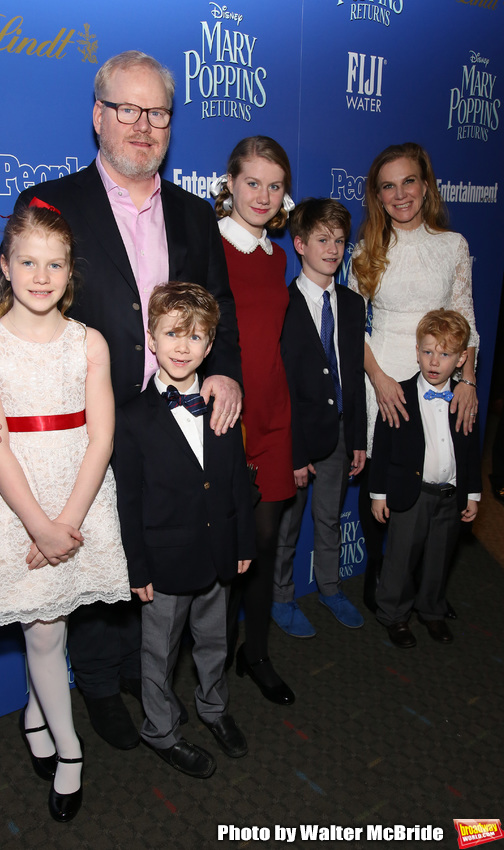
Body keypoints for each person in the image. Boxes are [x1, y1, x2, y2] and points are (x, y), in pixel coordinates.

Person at [0, 51, 242, 750]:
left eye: (157, 113)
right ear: (98, 117)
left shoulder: (197, 216)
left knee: (148, 556)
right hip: (86, 438)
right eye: (127, 110)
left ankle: (145, 677)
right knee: (90, 573)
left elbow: (217, 307)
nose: (143, 126)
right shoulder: (52, 204)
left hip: (169, 426)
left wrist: (224, 371)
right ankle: (100, 690)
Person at [0, 203, 130, 821]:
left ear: (69, 272)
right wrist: (39, 525)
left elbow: (102, 436)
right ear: (5, 266)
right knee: (45, 628)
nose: (41, 274)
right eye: (27, 261)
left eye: (54, 263)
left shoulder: (91, 342)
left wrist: (69, 522)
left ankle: (36, 712)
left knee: (50, 623)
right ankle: (71, 751)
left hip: (80, 496)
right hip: (17, 499)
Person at [114, 282, 255, 779]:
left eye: (195, 337)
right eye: (172, 333)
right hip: (164, 562)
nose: (182, 345)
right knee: (159, 653)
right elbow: (126, 499)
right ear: (151, 338)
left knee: (216, 641)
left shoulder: (223, 403)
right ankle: (162, 731)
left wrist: (242, 541)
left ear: (210, 345)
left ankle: (213, 709)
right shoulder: (131, 417)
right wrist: (137, 565)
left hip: (219, 554)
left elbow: (237, 478)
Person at [348, 142, 479, 612]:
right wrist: (380, 378)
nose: (400, 194)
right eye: (388, 186)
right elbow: (350, 326)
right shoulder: (366, 250)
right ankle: (378, 576)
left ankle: (424, 585)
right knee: (383, 475)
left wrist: (468, 380)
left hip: (442, 375)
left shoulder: (453, 246)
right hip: (381, 372)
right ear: (377, 196)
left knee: (436, 478)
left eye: (408, 182)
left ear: (425, 186)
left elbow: (466, 319)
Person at [212, 136, 296, 705]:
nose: (263, 195)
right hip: (226, 416)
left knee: (266, 543)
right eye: (252, 183)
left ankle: (256, 652)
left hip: (275, 414)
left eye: (275, 185)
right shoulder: (208, 246)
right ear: (230, 183)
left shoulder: (279, 256)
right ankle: (214, 658)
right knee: (225, 547)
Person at [274, 199, 366, 637]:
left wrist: (360, 438)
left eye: (340, 240)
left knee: (330, 516)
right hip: (297, 437)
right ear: (300, 244)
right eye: (322, 239)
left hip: (342, 431)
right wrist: (292, 450)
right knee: (288, 524)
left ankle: (330, 587)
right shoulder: (283, 304)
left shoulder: (350, 304)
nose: (332, 249)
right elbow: (281, 385)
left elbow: (354, 374)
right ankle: (281, 597)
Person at [370, 309, 481, 648]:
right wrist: (378, 494)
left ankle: (431, 611)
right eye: (428, 351)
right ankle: (394, 616)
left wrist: (473, 494)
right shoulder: (399, 395)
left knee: (439, 558)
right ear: (416, 352)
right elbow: (384, 447)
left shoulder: (464, 400)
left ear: (462, 358)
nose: (435, 361)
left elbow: (470, 451)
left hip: (449, 496)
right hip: (410, 494)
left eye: (445, 354)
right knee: (401, 559)